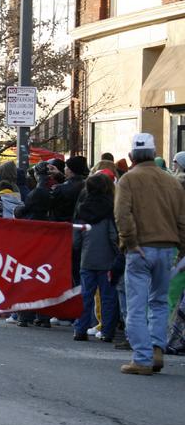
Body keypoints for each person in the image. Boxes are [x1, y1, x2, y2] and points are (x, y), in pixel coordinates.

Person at [114, 133, 185, 374]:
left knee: (136, 305)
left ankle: (142, 358)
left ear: (132, 156)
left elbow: (123, 215)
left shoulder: (128, 180)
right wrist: (182, 249)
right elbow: (182, 219)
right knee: (159, 302)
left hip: (140, 248)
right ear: (154, 154)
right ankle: (156, 349)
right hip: (167, 248)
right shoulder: (172, 181)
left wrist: (130, 242)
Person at [72, 173, 120, 343]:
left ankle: (80, 329)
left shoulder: (82, 209)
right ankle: (107, 331)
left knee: (85, 295)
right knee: (108, 297)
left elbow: (76, 238)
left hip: (87, 258)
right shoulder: (110, 208)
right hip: (107, 259)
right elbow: (113, 235)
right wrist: (118, 253)